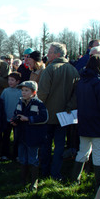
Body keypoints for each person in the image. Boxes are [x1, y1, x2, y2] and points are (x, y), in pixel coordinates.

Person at [70, 55, 100, 190]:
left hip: (84, 122)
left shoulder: (82, 82)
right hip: (99, 123)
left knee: (82, 152)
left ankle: (74, 180)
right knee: (99, 155)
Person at [38, 42, 80, 180]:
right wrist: (69, 108)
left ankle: (44, 171)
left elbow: (42, 93)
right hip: (65, 116)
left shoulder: (50, 69)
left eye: (50, 52)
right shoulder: (73, 70)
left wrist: (38, 108)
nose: (47, 55)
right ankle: (56, 172)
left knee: (46, 144)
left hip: (48, 115)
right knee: (60, 146)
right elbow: (76, 94)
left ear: (57, 54)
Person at [11, 80, 48, 191]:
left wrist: (29, 119)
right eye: (22, 90)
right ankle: (23, 180)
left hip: (33, 136)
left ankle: (34, 182)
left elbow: (44, 118)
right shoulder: (20, 102)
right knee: (22, 158)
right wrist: (15, 120)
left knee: (33, 159)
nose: (24, 93)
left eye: (26, 90)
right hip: (21, 135)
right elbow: (16, 113)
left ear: (34, 92)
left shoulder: (38, 104)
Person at [0, 72, 22, 160]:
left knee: (17, 138)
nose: (10, 82)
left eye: (12, 80)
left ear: (18, 81)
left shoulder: (20, 92)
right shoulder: (5, 91)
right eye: (9, 80)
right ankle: (4, 154)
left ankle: (16, 154)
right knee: (6, 137)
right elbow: (2, 102)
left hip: (16, 119)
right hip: (7, 118)